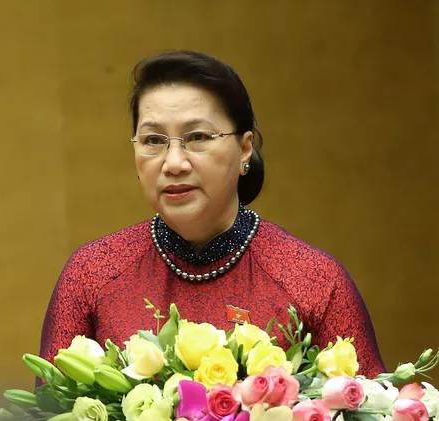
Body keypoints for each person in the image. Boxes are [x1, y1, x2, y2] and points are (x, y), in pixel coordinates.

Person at [38, 50, 385, 380]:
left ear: (245, 148)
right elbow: (51, 406)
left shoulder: (314, 280)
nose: (174, 163)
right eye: (153, 140)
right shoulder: (92, 273)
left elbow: (368, 403)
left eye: (198, 137)